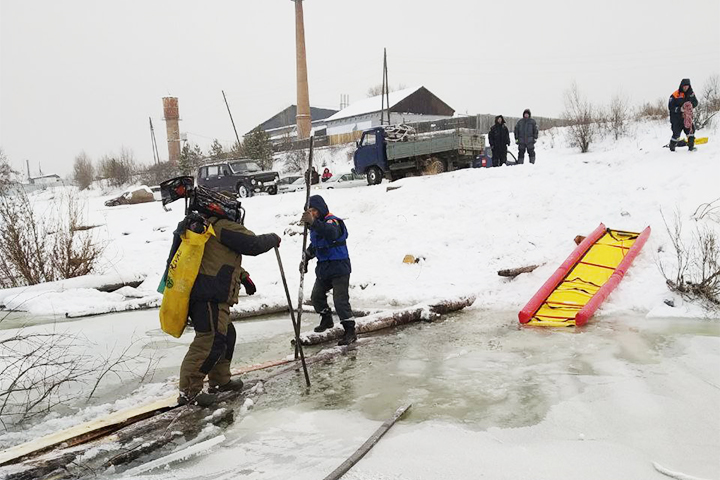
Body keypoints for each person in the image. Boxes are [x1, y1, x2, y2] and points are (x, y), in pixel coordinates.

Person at [170, 213, 281, 407]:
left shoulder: (209, 229)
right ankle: (189, 392)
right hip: (209, 296)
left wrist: (244, 277)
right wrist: (272, 238)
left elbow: (218, 258)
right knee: (209, 340)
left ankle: (220, 380)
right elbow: (252, 244)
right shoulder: (221, 226)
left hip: (209, 295)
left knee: (227, 334)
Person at [299, 195, 356, 346]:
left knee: (340, 300)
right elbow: (315, 245)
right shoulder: (316, 225)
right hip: (324, 268)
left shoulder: (333, 221)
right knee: (316, 296)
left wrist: (313, 223)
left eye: (314, 210)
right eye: (309, 211)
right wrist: (306, 258)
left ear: (321, 209)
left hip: (339, 267)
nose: (312, 213)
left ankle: (350, 331)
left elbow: (331, 233)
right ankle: (326, 319)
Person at [668, 78, 699, 151]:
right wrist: (680, 109)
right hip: (676, 119)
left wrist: (691, 105)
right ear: (681, 86)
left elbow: (696, 102)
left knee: (690, 132)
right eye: (684, 86)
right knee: (676, 135)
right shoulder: (675, 95)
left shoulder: (691, 94)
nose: (686, 87)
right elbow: (670, 107)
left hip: (687, 118)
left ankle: (691, 148)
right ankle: (672, 148)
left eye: (687, 86)